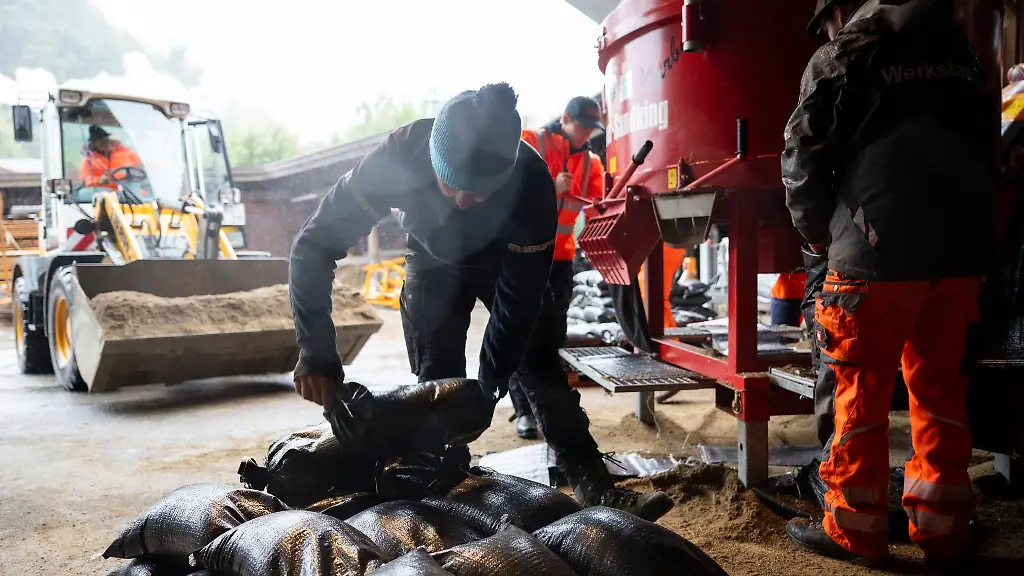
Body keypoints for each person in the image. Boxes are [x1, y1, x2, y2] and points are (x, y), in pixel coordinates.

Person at [288, 83, 674, 522]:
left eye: (480, 193)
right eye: (451, 185)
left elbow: (518, 302)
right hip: (432, 261)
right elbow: (313, 245)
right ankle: (444, 490)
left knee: (540, 367)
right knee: (437, 380)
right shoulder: (396, 159)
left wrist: (490, 386)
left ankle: (595, 485)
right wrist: (316, 350)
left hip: (504, 263)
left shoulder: (531, 183)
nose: (462, 202)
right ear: (432, 159)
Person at [781, 0, 995, 568]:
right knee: (940, 395)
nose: (827, 32)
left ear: (840, 8)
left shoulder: (844, 55)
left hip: (871, 256)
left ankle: (855, 532)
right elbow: (988, 147)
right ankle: (943, 531)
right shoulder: (963, 54)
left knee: (860, 397)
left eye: (825, 23)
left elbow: (801, 161)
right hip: (958, 257)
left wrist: (819, 239)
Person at [511, 96, 606, 439]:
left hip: (561, 257)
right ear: (565, 119)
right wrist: (549, 186)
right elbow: (506, 187)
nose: (586, 135)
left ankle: (548, 411)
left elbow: (597, 206)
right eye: (582, 127)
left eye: (591, 130)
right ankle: (524, 411)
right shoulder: (530, 142)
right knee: (518, 332)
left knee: (553, 334)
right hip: (524, 254)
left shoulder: (591, 164)